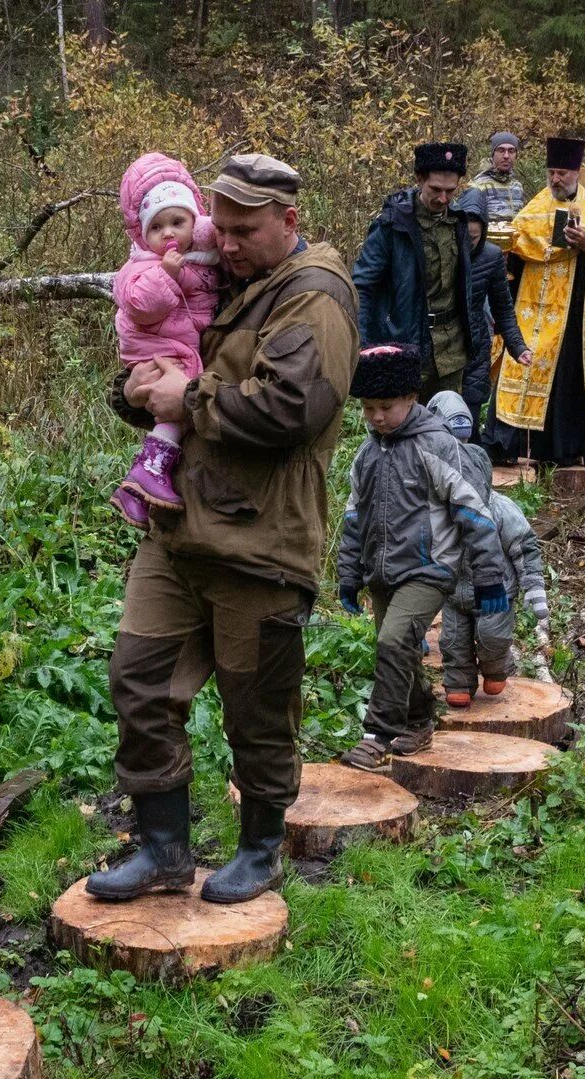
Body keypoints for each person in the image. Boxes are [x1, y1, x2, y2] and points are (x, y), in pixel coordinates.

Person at [89, 153, 358, 906]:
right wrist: (138, 389)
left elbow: (292, 410)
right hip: (178, 529)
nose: (226, 242)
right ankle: (163, 848)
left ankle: (262, 848)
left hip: (261, 543)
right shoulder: (214, 272)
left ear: (289, 222)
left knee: (258, 707)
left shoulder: (315, 295)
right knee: (138, 680)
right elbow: (165, 351)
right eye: (223, 226)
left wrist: (190, 396)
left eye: (244, 231)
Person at [335, 345, 508, 772]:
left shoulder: (437, 447)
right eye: (368, 408)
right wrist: (349, 573)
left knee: (392, 641)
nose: (376, 417)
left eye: (386, 407)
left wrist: (488, 578)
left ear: (411, 398)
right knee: (403, 650)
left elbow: (474, 513)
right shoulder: (367, 453)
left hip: (429, 570)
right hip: (381, 571)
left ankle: (378, 735)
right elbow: (354, 517)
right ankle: (418, 719)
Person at [490, 136, 585, 470]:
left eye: (562, 173)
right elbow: (519, 236)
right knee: (517, 367)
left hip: (573, 310)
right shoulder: (537, 203)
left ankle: (560, 449)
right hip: (530, 303)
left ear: (576, 172)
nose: (556, 179)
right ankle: (504, 446)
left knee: (564, 377)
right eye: (552, 172)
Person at [109, 153, 224, 529]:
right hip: (153, 346)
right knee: (184, 388)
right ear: (143, 234)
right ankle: (151, 467)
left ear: (195, 221)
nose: (169, 233)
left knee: (186, 388)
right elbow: (141, 305)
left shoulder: (202, 252)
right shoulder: (141, 266)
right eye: (157, 227)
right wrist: (167, 277)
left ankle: (135, 492)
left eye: (178, 222)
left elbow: (215, 232)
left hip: (175, 341)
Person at [351, 142, 488, 403]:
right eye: (435, 189)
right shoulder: (392, 226)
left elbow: (464, 286)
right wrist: (365, 346)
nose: (443, 199)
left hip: (451, 351)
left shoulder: (458, 222)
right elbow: (363, 287)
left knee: (446, 430)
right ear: (419, 179)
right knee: (400, 429)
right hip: (405, 345)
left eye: (451, 190)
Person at [435, 432, 552, 706]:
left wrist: (534, 587)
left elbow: (524, 546)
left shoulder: (500, 509)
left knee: (492, 637)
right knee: (453, 641)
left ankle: (496, 668)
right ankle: (459, 681)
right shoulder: (441, 512)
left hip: (496, 593)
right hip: (454, 594)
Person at [455, 187, 532, 446]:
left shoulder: (492, 256)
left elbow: (503, 307)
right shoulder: (445, 252)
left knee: (470, 419)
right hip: (444, 344)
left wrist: (517, 346)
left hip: (477, 345)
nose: (469, 242)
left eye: (475, 237)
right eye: (465, 235)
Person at [468, 131, 529, 238]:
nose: (506, 156)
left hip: (515, 247)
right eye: (501, 150)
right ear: (493, 153)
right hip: (490, 248)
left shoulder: (517, 186)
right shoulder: (477, 185)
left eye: (511, 151)